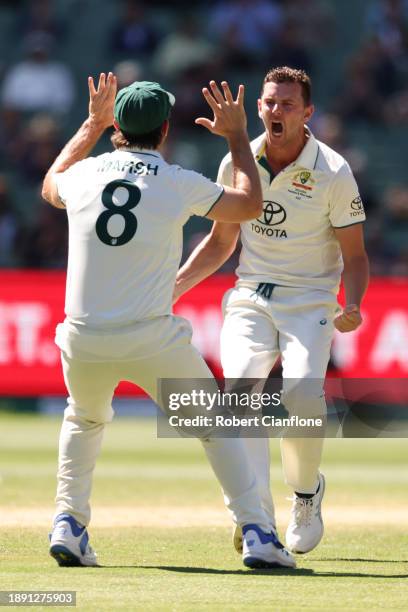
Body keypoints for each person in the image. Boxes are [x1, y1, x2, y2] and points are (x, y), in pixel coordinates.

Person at [41, 72, 296, 569]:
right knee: (217, 427)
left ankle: (68, 524)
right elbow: (249, 205)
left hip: (83, 337)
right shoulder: (177, 181)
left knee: (84, 417)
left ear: (117, 125)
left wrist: (90, 125)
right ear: (164, 131)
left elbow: (51, 186)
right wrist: (240, 136)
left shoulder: (85, 175)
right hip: (150, 338)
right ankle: (258, 532)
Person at [175, 66, 369, 555]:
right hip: (251, 296)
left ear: (308, 113)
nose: (274, 111)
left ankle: (306, 494)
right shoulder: (238, 162)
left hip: (311, 299)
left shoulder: (333, 170)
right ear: (257, 107)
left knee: (303, 398)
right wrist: (172, 287)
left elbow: (356, 254)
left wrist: (355, 303)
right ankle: (257, 520)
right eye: (268, 103)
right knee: (241, 398)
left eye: (286, 104)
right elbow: (222, 242)